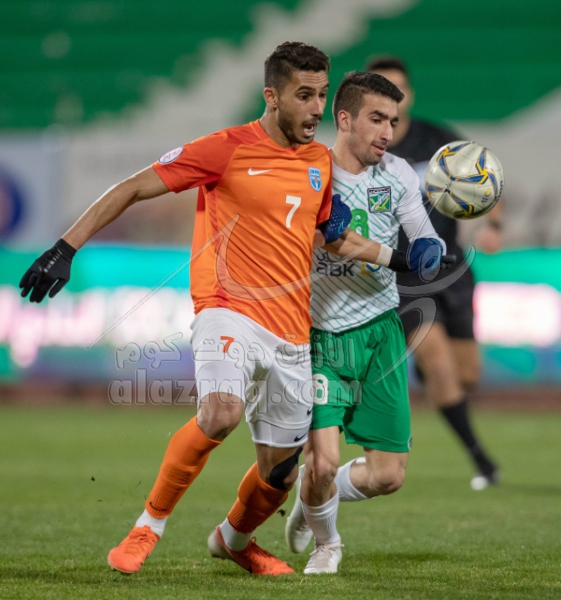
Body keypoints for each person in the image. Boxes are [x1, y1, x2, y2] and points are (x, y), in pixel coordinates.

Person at [19, 43, 419, 577]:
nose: (316, 108)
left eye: (322, 95)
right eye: (304, 95)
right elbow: (133, 187)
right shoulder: (225, 149)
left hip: (292, 330)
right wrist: (65, 247)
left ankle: (233, 539)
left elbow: (333, 236)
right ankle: (147, 526)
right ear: (272, 96)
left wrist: (398, 257)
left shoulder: (319, 162)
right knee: (221, 412)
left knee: (280, 473)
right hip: (226, 309)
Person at [284, 71, 451, 574]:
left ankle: (312, 496)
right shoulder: (308, 170)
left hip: (380, 332)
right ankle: (327, 544)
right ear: (344, 119)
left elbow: (423, 235)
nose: (388, 132)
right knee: (324, 461)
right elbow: (311, 238)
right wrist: (396, 257)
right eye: (377, 119)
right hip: (318, 334)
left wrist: (429, 249)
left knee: (387, 476)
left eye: (393, 121)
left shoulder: (398, 174)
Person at [368, 56, 501, 490]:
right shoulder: (365, 151)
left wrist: (494, 225)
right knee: (440, 365)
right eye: (382, 89)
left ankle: (431, 372)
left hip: (451, 268)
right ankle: (482, 460)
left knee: (467, 375)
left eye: (398, 89)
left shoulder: (439, 141)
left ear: (409, 95)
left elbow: (488, 181)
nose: (392, 98)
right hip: (402, 274)